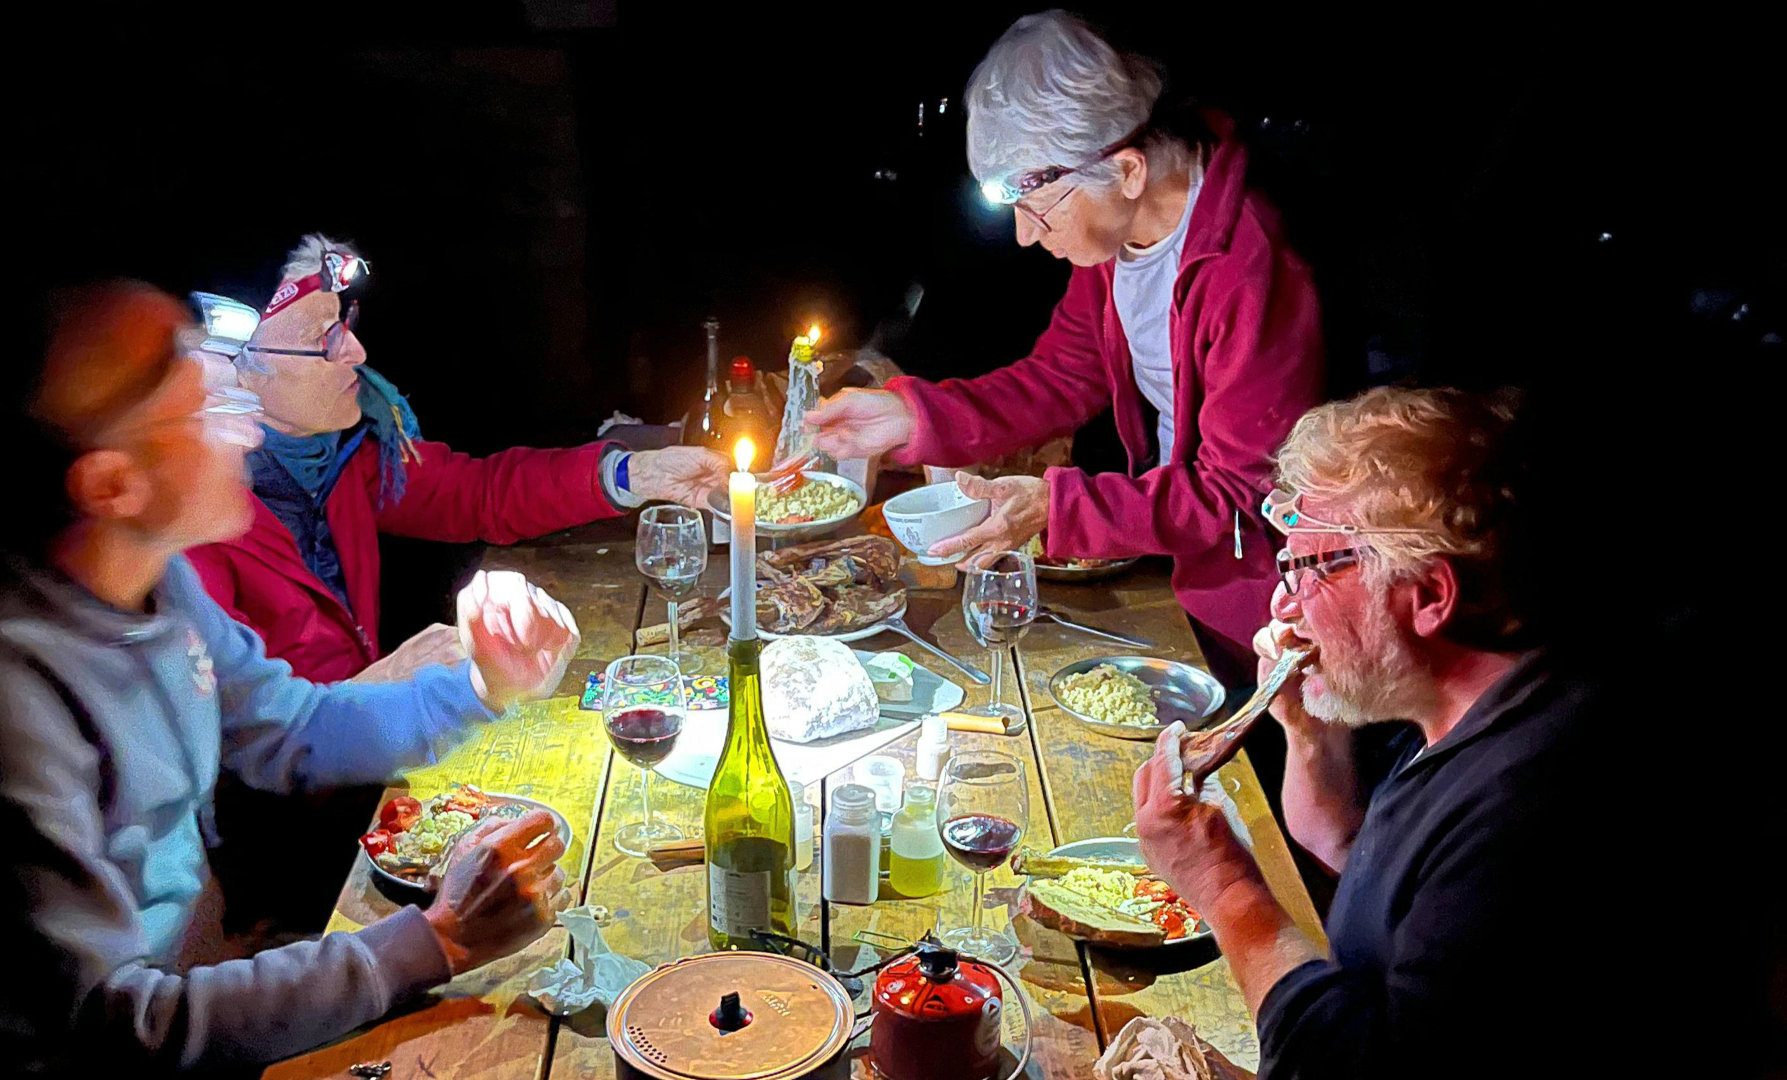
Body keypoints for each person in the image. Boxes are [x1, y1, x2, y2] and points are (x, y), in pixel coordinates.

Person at [0, 281, 581, 1073]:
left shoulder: (156, 582)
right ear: (112, 484)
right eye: (211, 413)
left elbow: (292, 729)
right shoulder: (4, 693)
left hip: (214, 975)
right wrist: (435, 941)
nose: (250, 434)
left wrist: (480, 687)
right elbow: (113, 1026)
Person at [1126, 386, 1669, 1078]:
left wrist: (1221, 883)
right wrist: (1306, 728)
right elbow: (1363, 868)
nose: (1283, 605)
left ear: (1430, 596)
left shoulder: (1537, 802)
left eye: (1308, 570)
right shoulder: (1482, 706)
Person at [807, 11, 1323, 681]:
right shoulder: (1118, 237)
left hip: (1271, 612)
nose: (1025, 235)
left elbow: (1234, 496)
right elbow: (1063, 374)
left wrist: (1057, 506)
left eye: (1036, 201)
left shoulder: (1252, 268)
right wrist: (914, 417)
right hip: (1185, 573)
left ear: (1128, 169)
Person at [188, 233, 730, 682]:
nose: (356, 352)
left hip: (363, 758)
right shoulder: (192, 528)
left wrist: (637, 472)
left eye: (345, 323)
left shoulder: (347, 457)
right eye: (325, 339)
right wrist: (387, 682)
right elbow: (232, 742)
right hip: (300, 800)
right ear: (238, 368)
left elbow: (479, 494)